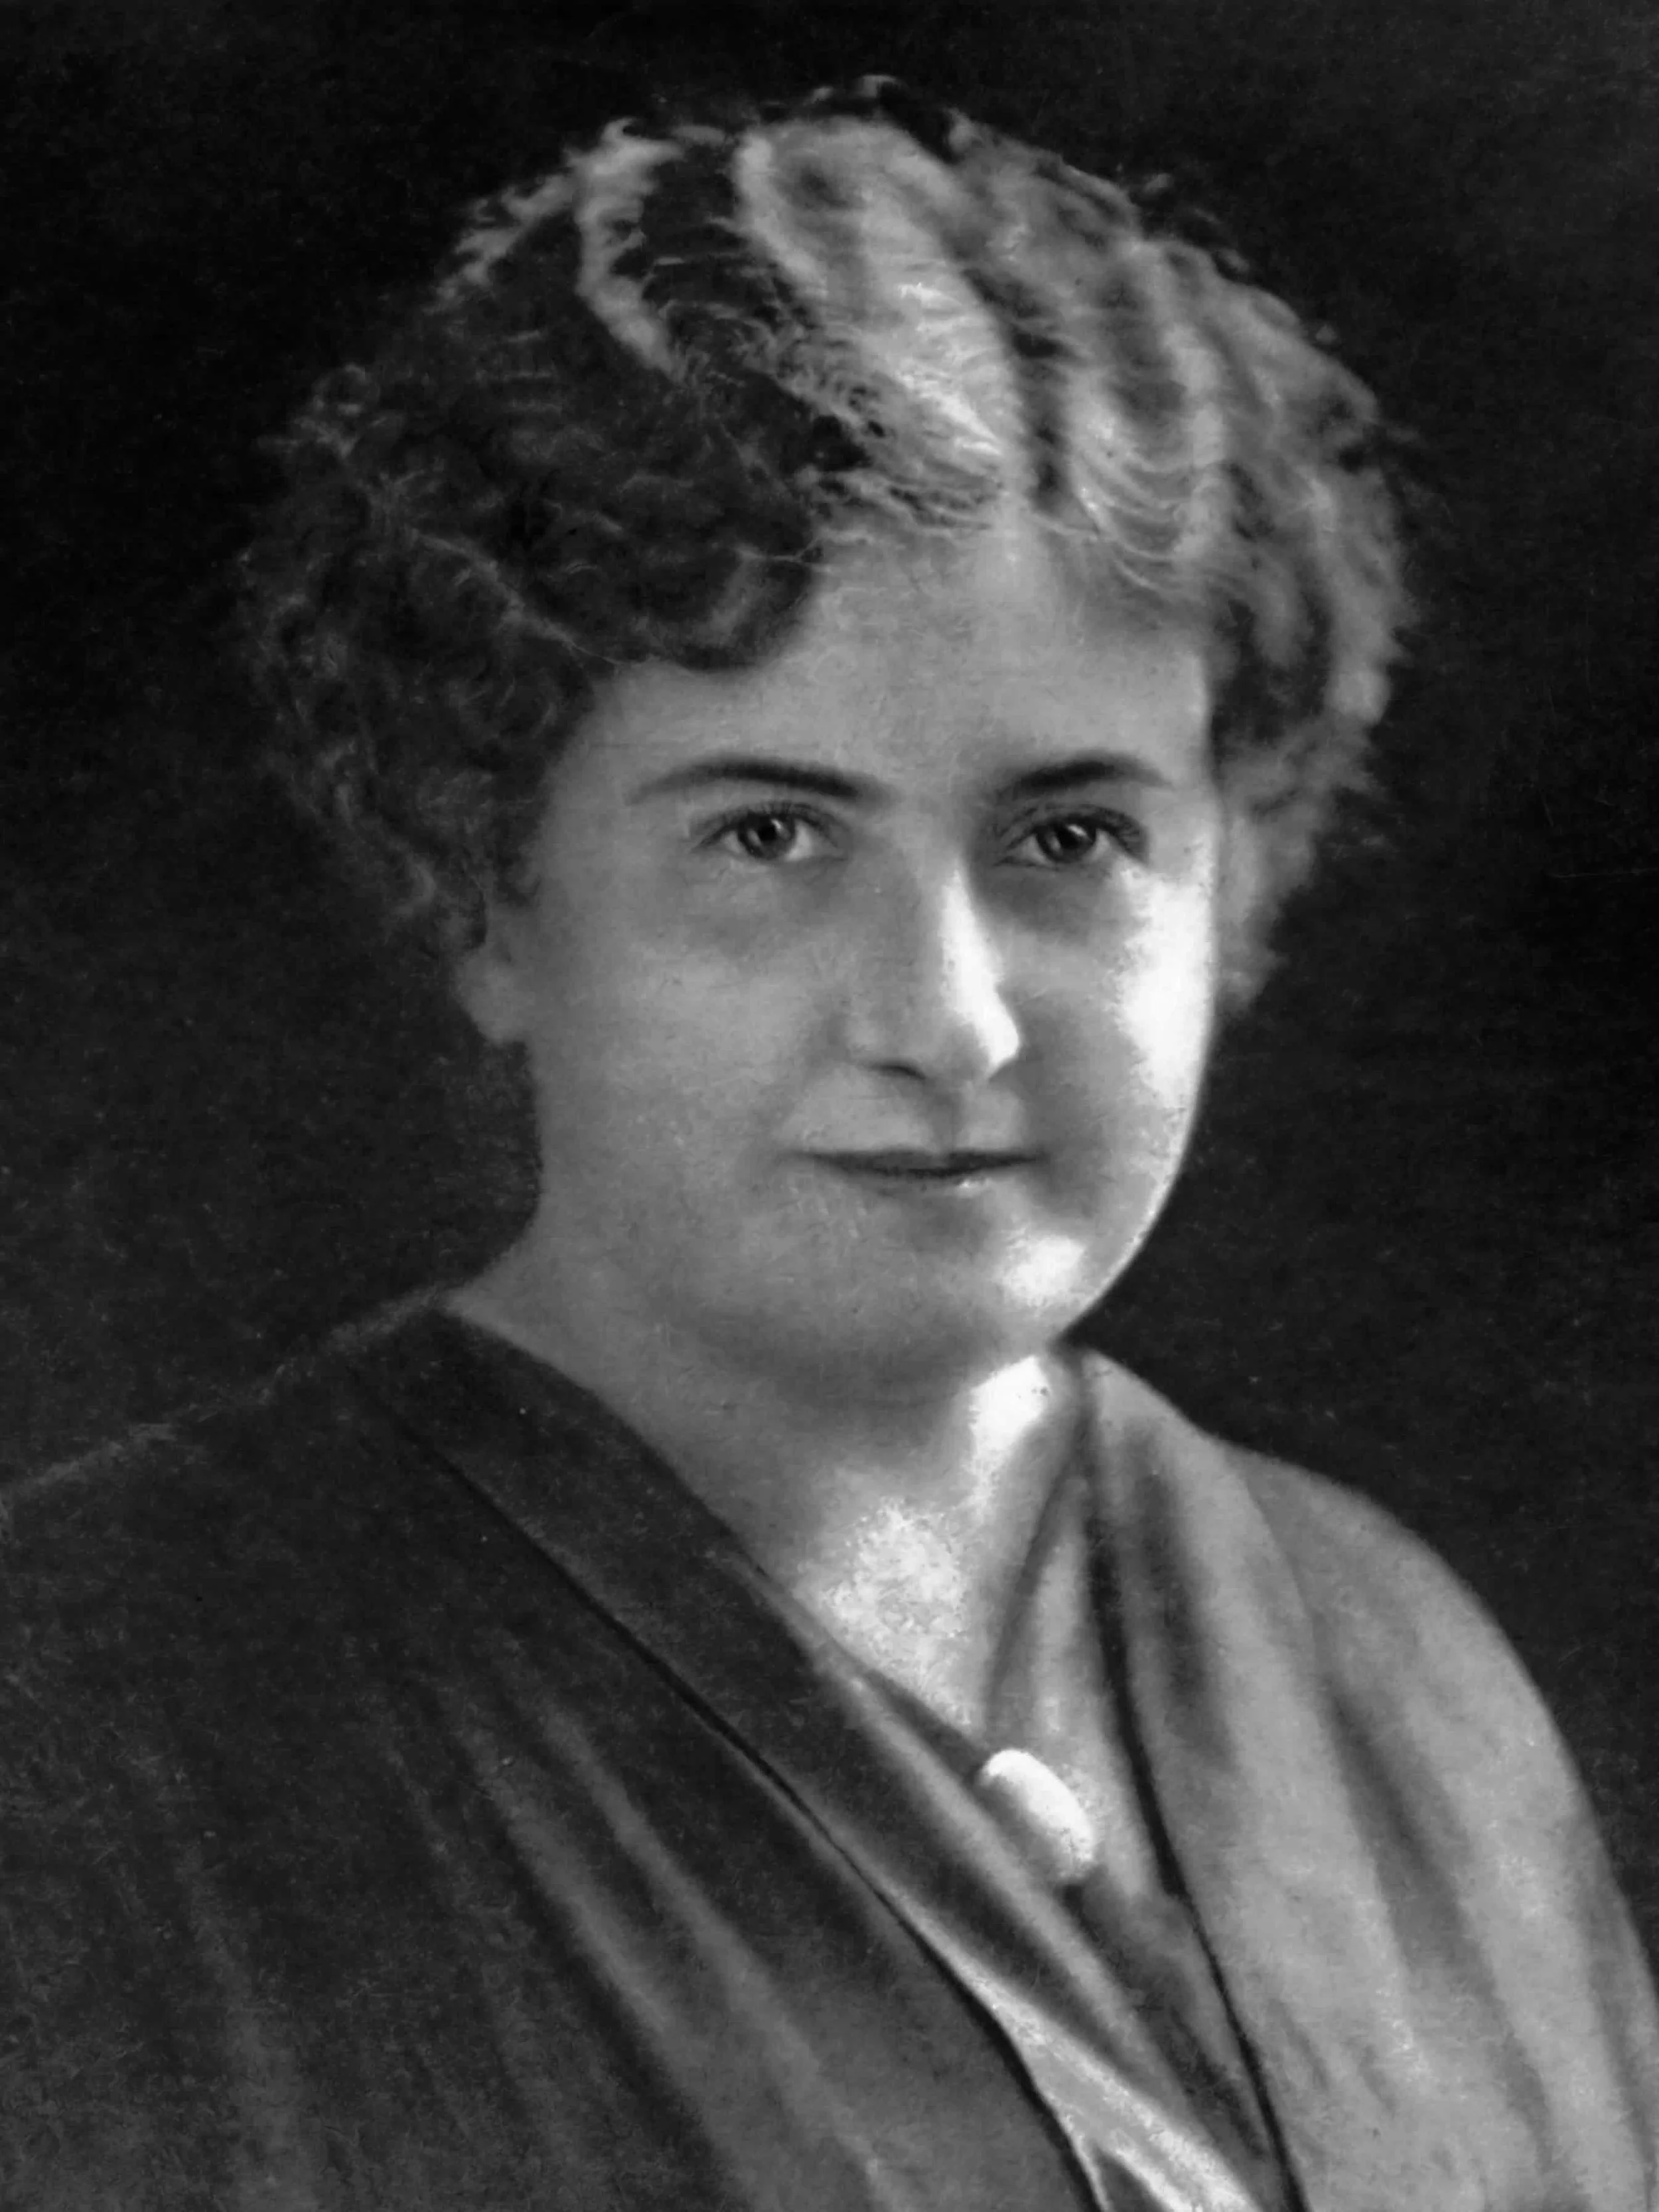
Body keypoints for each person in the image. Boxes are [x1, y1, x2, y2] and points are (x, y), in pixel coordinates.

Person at [3, 75, 1654, 2212]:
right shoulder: (99, 1707)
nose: (946, 1018)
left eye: (1070, 836)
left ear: (1229, 870)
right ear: (490, 893)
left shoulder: (1385, 1661)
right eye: (768, 836)